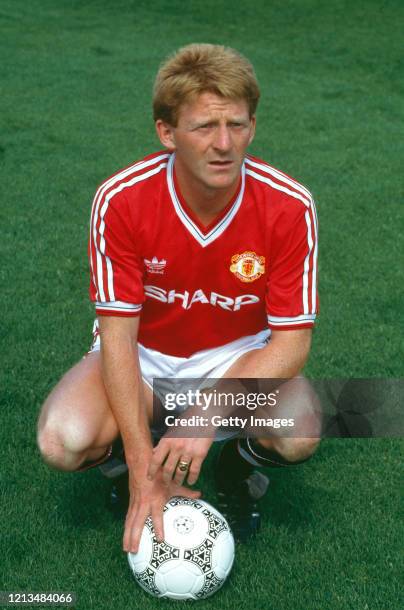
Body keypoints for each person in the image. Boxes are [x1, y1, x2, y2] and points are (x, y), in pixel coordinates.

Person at [37, 43, 320, 551]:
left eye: (237, 125)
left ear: (253, 126)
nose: (224, 144)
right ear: (167, 133)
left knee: (300, 430)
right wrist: (143, 463)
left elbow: (292, 346)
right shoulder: (121, 199)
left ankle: (236, 467)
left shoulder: (289, 205)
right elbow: (119, 340)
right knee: (62, 441)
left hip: (239, 362)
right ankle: (128, 468)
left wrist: (209, 413)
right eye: (204, 127)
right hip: (145, 361)